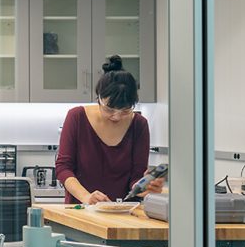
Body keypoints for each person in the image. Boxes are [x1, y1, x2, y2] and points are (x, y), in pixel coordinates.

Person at [54, 55, 164, 206]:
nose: (116, 116)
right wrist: (87, 197)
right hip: (81, 209)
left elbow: (136, 177)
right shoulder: (77, 117)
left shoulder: (139, 124)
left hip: (123, 211)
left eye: (125, 110)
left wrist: (145, 187)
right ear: (99, 97)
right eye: (109, 109)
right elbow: (63, 168)